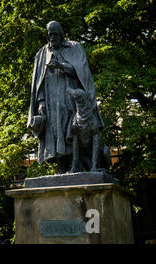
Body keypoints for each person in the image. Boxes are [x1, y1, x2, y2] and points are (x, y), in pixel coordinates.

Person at [27, 21, 104, 173]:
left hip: (70, 99)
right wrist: (41, 102)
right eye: (50, 34)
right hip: (49, 102)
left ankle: (78, 164)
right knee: (54, 132)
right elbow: (38, 83)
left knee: (73, 129)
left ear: (61, 33)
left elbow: (82, 73)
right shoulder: (42, 54)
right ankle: (61, 167)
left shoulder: (74, 48)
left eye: (55, 34)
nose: (52, 37)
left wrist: (61, 65)